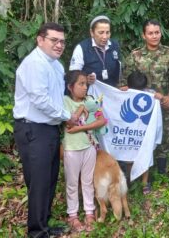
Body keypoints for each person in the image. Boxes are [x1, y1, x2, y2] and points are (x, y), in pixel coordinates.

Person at [13, 22, 76, 237]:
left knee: (49, 178)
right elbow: (40, 100)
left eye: (62, 41)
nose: (59, 45)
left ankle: (44, 225)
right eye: (54, 40)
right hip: (33, 129)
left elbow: (58, 98)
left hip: (49, 129)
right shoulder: (34, 63)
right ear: (40, 40)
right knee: (39, 182)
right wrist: (68, 117)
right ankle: (36, 232)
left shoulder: (56, 65)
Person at [122, 19, 169, 175]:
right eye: (150, 33)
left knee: (164, 135)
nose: (154, 36)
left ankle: (161, 171)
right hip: (141, 107)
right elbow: (124, 79)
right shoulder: (135, 56)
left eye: (157, 32)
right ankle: (141, 172)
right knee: (141, 137)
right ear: (144, 35)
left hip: (163, 103)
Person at [63, 70, 106, 233]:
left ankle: (89, 212)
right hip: (72, 149)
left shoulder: (91, 100)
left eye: (86, 84)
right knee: (72, 184)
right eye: (80, 84)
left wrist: (83, 127)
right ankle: (72, 215)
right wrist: (81, 109)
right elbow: (69, 123)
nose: (84, 88)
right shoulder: (65, 101)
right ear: (70, 87)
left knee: (88, 182)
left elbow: (101, 120)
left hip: (89, 147)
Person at [124, 70, 164, 194]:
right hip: (130, 133)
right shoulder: (125, 92)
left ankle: (144, 183)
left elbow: (160, 98)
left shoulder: (150, 94)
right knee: (129, 156)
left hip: (145, 133)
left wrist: (160, 97)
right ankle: (130, 180)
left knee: (145, 155)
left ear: (145, 87)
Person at [69, 15, 121, 87]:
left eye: (107, 32)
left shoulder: (115, 46)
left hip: (111, 92)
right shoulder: (81, 48)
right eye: (101, 32)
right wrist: (85, 79)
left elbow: (119, 70)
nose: (105, 37)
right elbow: (73, 75)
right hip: (89, 94)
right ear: (92, 32)